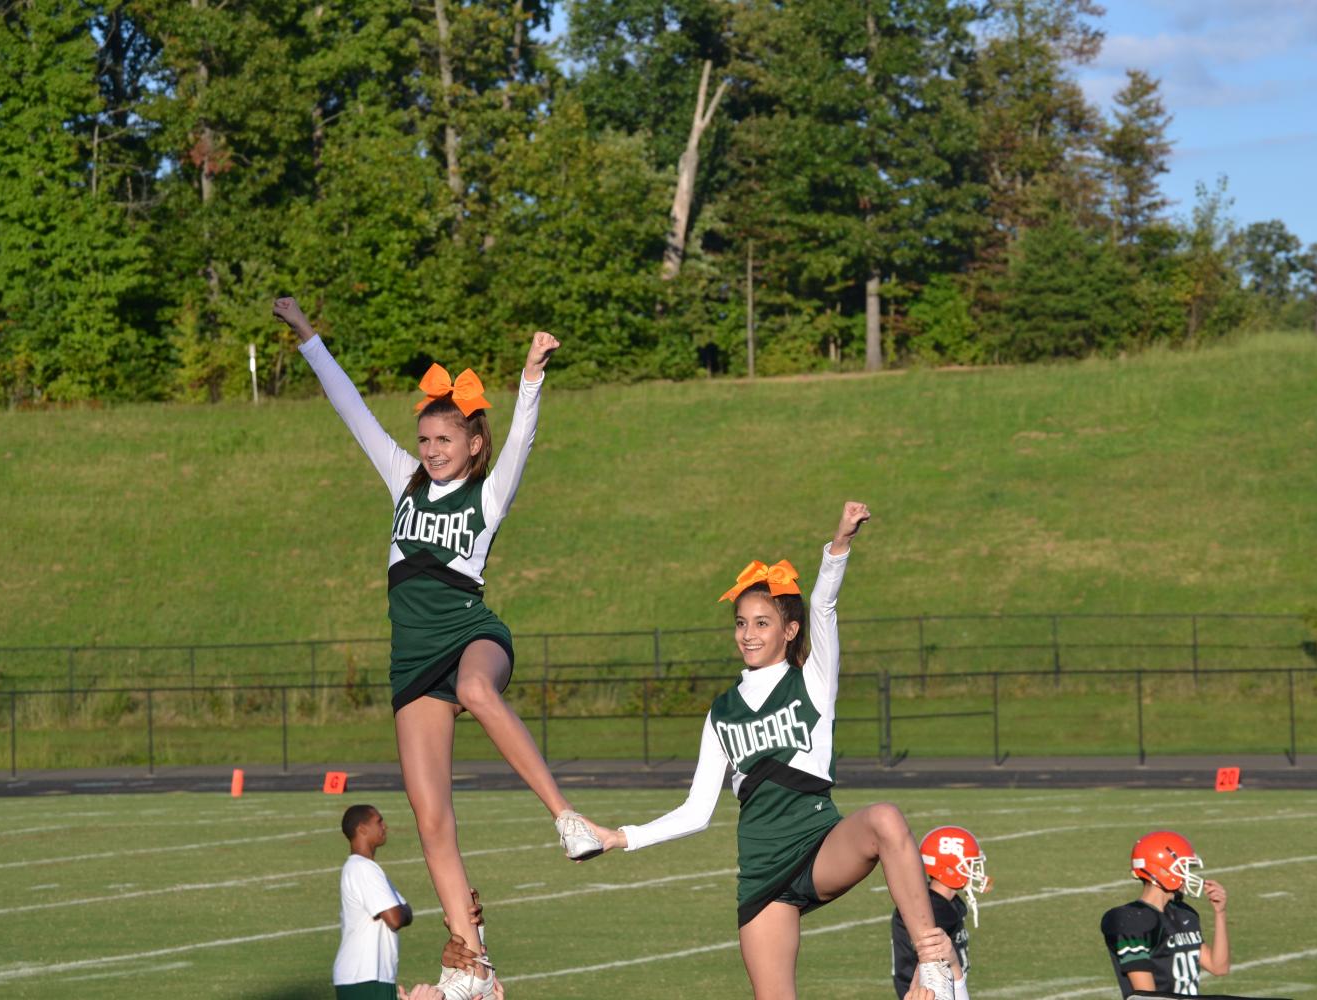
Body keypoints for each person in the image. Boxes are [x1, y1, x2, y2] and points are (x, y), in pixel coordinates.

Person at [274, 298, 602, 1000]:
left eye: (445, 441)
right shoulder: (402, 481)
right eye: (424, 440)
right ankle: (475, 965)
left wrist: (532, 376)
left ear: (472, 444)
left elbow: (523, 443)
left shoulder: (486, 497)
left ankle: (567, 819)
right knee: (430, 821)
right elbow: (351, 408)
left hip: (472, 638)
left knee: (480, 692)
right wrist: (308, 338)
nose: (431, 450)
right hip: (413, 662)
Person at [581, 503, 955, 1000]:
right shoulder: (722, 712)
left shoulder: (814, 681)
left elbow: (822, 605)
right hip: (761, 873)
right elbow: (696, 811)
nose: (748, 634)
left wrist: (838, 545)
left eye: (761, 623)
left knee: (885, 818)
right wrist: (617, 838)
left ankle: (929, 960)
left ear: (789, 630)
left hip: (820, 847)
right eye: (741, 623)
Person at [1100, 830, 1230, 998]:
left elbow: (1218, 967)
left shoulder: (1184, 914)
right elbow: (1147, 996)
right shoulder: (1131, 920)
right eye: (1183, 868)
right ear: (1162, 871)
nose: (1188, 875)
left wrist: (1220, 913)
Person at [890, 825, 990, 1000]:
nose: (974, 871)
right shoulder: (931, 910)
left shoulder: (946, 904)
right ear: (948, 868)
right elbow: (924, 958)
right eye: (968, 864)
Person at [334, 804, 413, 1000]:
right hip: (365, 975)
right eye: (379, 821)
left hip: (369, 974)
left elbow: (405, 912)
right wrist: (402, 910)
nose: (384, 826)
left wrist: (403, 910)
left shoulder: (366, 868)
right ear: (362, 828)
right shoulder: (363, 869)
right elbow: (395, 918)